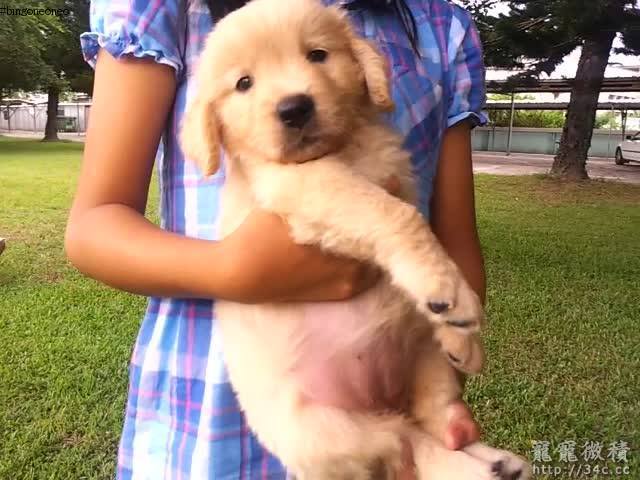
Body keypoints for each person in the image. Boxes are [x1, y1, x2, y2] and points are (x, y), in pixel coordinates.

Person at [65, 0, 488, 478]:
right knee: (322, 439)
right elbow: (93, 225)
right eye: (244, 83)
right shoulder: (161, 9)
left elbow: (457, 246)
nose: (293, 96)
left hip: (399, 352)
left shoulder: (439, 28)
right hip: (217, 409)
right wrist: (233, 270)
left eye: (317, 55)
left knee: (409, 440)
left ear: (365, 64)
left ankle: (430, 450)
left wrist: (439, 389)